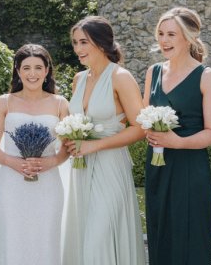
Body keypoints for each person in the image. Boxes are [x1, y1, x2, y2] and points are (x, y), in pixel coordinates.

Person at [62, 15, 146, 265]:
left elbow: (140, 128)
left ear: (101, 43)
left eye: (84, 42)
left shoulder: (121, 77)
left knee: (101, 234)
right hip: (80, 169)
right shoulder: (79, 79)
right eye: (75, 43)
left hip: (110, 167)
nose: (78, 49)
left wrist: (94, 145)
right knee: (83, 234)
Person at [142, 7, 211, 265]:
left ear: (189, 38)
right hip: (157, 167)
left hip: (190, 169)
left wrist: (179, 142)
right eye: (161, 34)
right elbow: (144, 117)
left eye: (171, 35)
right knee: (160, 231)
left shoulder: (206, 76)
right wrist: (150, 131)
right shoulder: (153, 72)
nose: (164, 41)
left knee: (190, 235)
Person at [0, 44, 69, 265]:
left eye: (38, 67)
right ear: (18, 70)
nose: (32, 73)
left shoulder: (60, 104)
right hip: (11, 183)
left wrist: (51, 162)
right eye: (26, 68)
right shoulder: (4, 102)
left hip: (48, 183)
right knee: (12, 237)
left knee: (47, 238)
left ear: (47, 70)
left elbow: (67, 148)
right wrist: (12, 162)